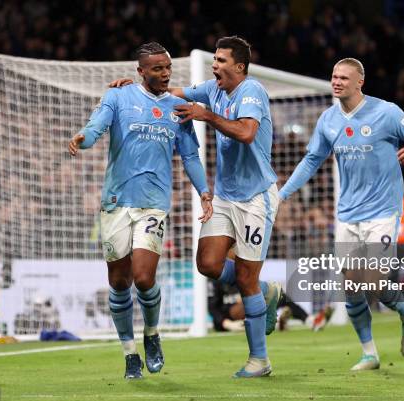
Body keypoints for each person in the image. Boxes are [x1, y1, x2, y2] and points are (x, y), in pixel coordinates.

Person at [110, 36, 281, 378]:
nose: (214, 65)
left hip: (256, 198)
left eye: (221, 60)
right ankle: (266, 290)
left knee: (245, 276)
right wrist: (132, 89)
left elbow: (246, 133)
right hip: (226, 195)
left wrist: (208, 116)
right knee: (207, 263)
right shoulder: (213, 89)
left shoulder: (252, 92)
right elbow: (173, 95)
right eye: (214, 59)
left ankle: (259, 360)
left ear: (239, 67)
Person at [279, 58, 404, 371]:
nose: (336, 82)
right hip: (348, 214)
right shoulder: (328, 119)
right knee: (351, 287)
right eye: (334, 76)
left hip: (382, 212)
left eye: (343, 78)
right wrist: (282, 193)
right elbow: (312, 160)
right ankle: (369, 353)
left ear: (359, 82)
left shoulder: (386, 112)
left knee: (373, 280)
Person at [68, 42, 213, 380]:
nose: (165, 73)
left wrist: (204, 191)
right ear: (141, 71)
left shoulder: (179, 107)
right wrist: (82, 138)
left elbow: (190, 156)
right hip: (116, 202)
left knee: (145, 277)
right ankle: (129, 353)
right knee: (119, 282)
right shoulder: (119, 97)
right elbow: (96, 126)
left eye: (167, 67)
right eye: (157, 69)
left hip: (154, 202)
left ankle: (151, 334)